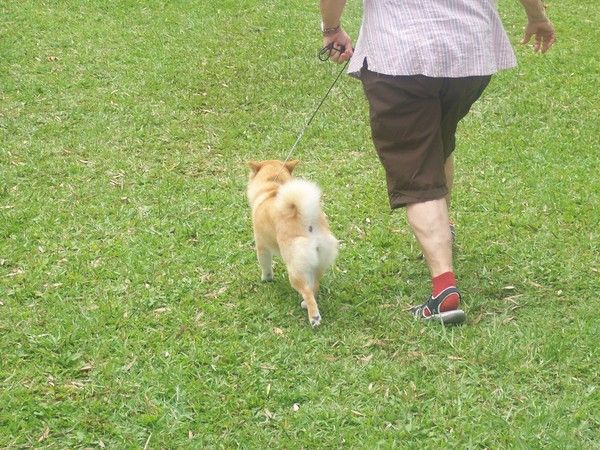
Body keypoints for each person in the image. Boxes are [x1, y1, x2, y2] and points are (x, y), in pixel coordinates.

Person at [319, 0, 555, 324]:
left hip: (401, 56)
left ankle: (444, 289)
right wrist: (536, 16)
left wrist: (331, 29)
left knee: (415, 167)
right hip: (469, 53)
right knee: (437, 141)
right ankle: (444, 230)